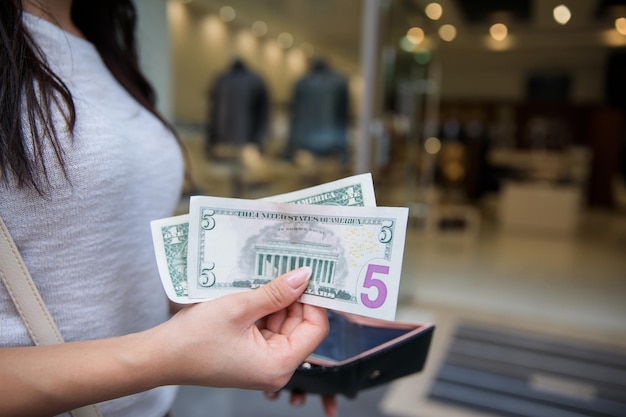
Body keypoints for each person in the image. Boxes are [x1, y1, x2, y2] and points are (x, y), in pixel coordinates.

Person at [0, 1, 335, 416]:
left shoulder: (99, 41)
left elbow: (107, 267)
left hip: (155, 406)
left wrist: (253, 309)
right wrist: (167, 355)